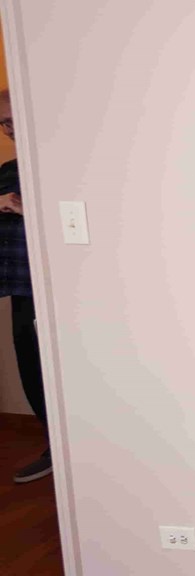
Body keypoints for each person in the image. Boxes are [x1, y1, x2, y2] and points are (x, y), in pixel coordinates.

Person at [0, 89, 50, 483]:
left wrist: (29, 209)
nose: (11, 130)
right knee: (31, 370)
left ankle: (74, 445)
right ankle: (54, 444)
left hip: (58, 286)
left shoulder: (61, 166)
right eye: (5, 124)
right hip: (19, 287)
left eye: (15, 119)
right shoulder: (8, 170)